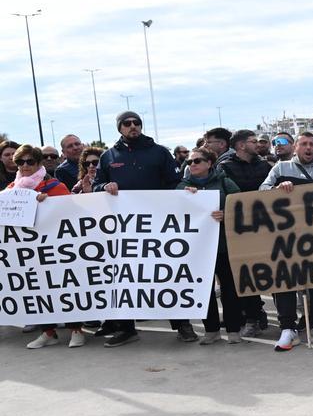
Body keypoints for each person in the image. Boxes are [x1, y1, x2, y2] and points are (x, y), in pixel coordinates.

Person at [93, 111, 192, 346]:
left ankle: (182, 324)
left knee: (166, 274)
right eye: (127, 124)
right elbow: (96, 185)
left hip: (158, 224)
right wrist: (105, 186)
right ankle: (126, 328)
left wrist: (184, 196)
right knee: (125, 276)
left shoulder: (159, 152)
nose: (133, 126)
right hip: (123, 228)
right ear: (120, 128)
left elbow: (175, 183)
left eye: (136, 123)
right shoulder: (108, 156)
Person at [260, 131, 313, 351]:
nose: (308, 148)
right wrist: (277, 189)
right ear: (295, 147)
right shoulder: (280, 168)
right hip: (286, 236)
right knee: (284, 281)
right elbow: (262, 191)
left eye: (312, 144)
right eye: (303, 144)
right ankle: (288, 328)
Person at [6, 145, 85, 349]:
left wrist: (48, 204)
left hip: (56, 252)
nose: (25, 166)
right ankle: (47, 332)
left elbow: (72, 213)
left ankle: (76, 329)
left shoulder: (55, 187)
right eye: (20, 162)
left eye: (30, 161)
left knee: (64, 288)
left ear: (39, 163)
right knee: (36, 290)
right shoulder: (10, 191)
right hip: (28, 252)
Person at [178, 147, 244, 344]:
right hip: (198, 249)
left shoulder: (225, 182)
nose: (192, 165)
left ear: (209, 163)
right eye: (189, 162)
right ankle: (211, 330)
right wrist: (185, 196)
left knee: (229, 290)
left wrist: (226, 215)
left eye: (197, 161)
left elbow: (240, 206)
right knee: (204, 290)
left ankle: (233, 329)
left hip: (225, 246)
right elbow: (176, 210)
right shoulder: (182, 186)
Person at [218, 129, 274, 336]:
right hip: (239, 229)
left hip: (264, 226)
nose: (257, 144)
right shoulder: (225, 167)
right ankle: (252, 315)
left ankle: (267, 313)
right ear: (241, 145)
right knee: (245, 274)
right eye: (253, 141)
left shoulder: (264, 165)